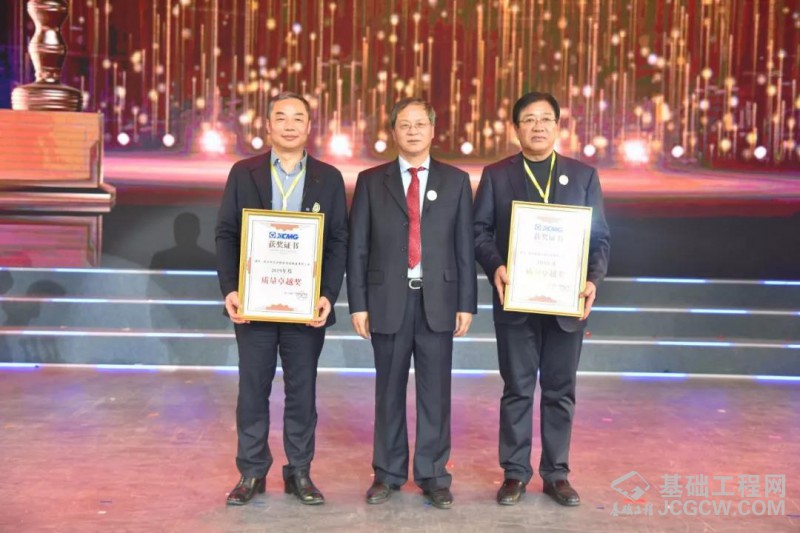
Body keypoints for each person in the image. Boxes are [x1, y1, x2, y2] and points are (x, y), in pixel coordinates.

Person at [473, 91, 611, 507]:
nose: (537, 126)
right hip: (515, 300)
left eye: (545, 118)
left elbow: (600, 239)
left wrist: (592, 280)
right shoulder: (497, 175)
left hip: (567, 303)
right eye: (529, 119)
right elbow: (479, 232)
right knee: (517, 388)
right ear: (516, 128)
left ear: (557, 126)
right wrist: (497, 266)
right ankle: (515, 473)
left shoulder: (583, 176)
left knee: (560, 390)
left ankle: (557, 474)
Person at [215, 91, 348, 506]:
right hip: (254, 304)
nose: (290, 125)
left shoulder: (329, 177)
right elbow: (226, 233)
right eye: (281, 117)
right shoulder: (244, 173)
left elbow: (338, 241)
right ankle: (251, 472)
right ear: (268, 126)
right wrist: (231, 288)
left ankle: (299, 472)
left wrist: (327, 294)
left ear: (309, 127)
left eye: (298, 118)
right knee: (252, 390)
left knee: (302, 391)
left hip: (305, 307)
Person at [347, 97, 477, 509]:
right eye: (405, 124)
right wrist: (357, 304)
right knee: (388, 391)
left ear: (433, 130)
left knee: (435, 393)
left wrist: (467, 303)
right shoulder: (371, 181)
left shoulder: (457, 181)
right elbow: (358, 247)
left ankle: (434, 475)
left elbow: (464, 247)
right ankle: (387, 473)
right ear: (393, 131)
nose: (413, 131)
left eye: (421, 124)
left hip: (439, 301)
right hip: (387, 300)